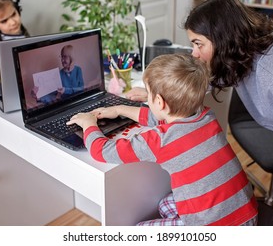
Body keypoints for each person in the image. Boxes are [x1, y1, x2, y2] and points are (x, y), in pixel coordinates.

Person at [127, 0, 273, 226]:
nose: (194, 53)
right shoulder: (245, 47)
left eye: (198, 44)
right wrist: (163, 96)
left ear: (223, 39)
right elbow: (219, 74)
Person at [67, 53, 258, 226]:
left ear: (159, 102)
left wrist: (88, 123)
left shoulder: (160, 141)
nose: (147, 99)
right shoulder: (206, 116)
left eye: (149, 95)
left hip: (213, 228)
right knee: (165, 203)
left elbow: (102, 151)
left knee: (138, 229)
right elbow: (161, 117)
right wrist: (119, 109)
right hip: (246, 213)